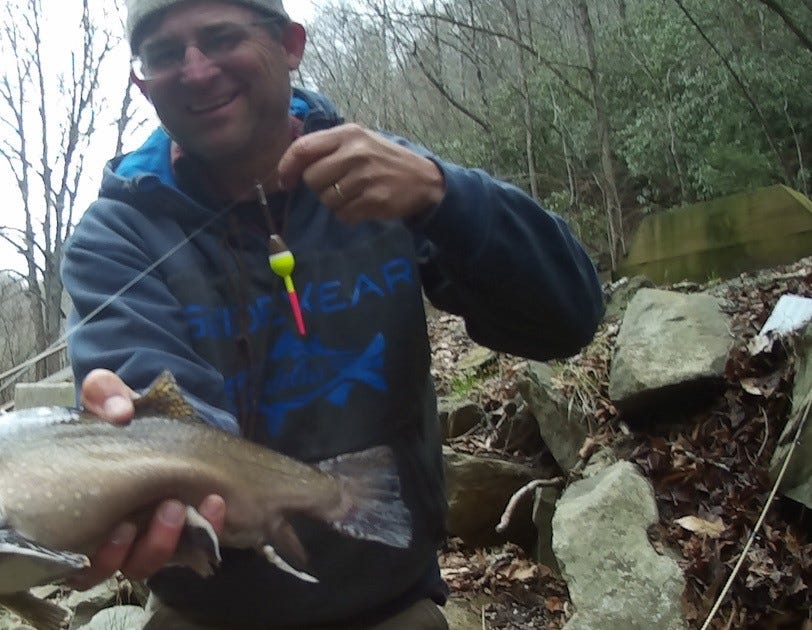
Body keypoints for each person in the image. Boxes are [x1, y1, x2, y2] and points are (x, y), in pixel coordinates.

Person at [59, 0, 605, 627]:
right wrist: (146, 447)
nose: (197, 70)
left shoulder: (384, 173)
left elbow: (569, 317)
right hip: (207, 613)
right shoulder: (115, 235)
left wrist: (445, 196)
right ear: (142, 83)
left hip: (390, 603)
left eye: (219, 37)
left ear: (290, 45)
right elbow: (160, 398)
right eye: (164, 54)